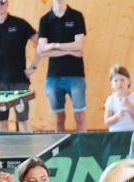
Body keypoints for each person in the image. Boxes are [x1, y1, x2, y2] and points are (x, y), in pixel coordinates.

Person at [0, 0, 38, 131]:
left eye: (2, 1)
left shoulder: (20, 24)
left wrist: (34, 66)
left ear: (7, 3)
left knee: (23, 118)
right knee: (1, 120)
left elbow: (41, 43)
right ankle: (2, 145)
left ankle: (28, 144)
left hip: (19, 80)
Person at [31, 0, 87, 133]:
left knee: (80, 117)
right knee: (59, 119)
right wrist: (70, 51)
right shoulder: (45, 20)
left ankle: (82, 146)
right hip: (53, 77)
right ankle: (61, 146)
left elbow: (79, 45)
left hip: (76, 75)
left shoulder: (76, 16)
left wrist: (53, 45)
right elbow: (42, 52)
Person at [104, 65, 134, 132]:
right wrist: (117, 116)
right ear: (112, 84)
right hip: (115, 134)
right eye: (116, 81)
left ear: (128, 81)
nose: (119, 83)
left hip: (132, 133)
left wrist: (129, 105)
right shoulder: (111, 99)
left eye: (122, 80)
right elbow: (107, 122)